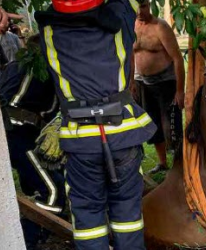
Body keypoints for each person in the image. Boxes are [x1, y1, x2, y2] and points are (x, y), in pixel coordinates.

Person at [35, 0, 156, 249]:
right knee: (128, 214)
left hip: (81, 142)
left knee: (88, 217)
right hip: (123, 136)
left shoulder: (48, 32)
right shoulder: (120, 18)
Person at [0, 34, 65, 250]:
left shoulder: (16, 64)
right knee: (53, 191)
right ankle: (27, 239)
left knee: (36, 182)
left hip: (12, 132)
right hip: (18, 133)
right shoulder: (39, 67)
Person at [134, 1, 185, 173]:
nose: (141, 11)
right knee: (151, 125)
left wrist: (180, 90)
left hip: (165, 83)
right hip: (142, 82)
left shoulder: (160, 27)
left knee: (171, 126)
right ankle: (162, 163)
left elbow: (178, 58)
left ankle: (180, 166)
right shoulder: (130, 25)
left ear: (149, 5)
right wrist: (130, 82)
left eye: (144, 6)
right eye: (138, 7)